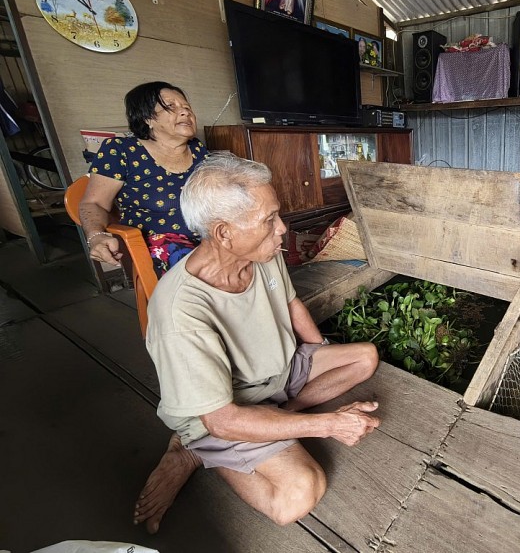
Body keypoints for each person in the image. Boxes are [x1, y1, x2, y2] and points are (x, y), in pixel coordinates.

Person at [132, 153, 380, 533]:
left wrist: (320, 349)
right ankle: (191, 451)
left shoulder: (262, 252)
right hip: (224, 409)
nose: (281, 229)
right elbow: (221, 417)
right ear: (223, 233)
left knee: (365, 358)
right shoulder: (181, 313)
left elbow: (291, 302)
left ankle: (282, 415)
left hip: (280, 370)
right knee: (297, 495)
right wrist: (330, 423)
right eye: (269, 220)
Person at [80, 81, 207, 276]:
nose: (185, 112)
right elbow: (94, 203)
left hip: (209, 238)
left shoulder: (198, 150)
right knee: (206, 269)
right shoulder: (121, 150)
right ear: (148, 118)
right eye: (171, 106)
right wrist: (96, 236)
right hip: (160, 245)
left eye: (187, 107)